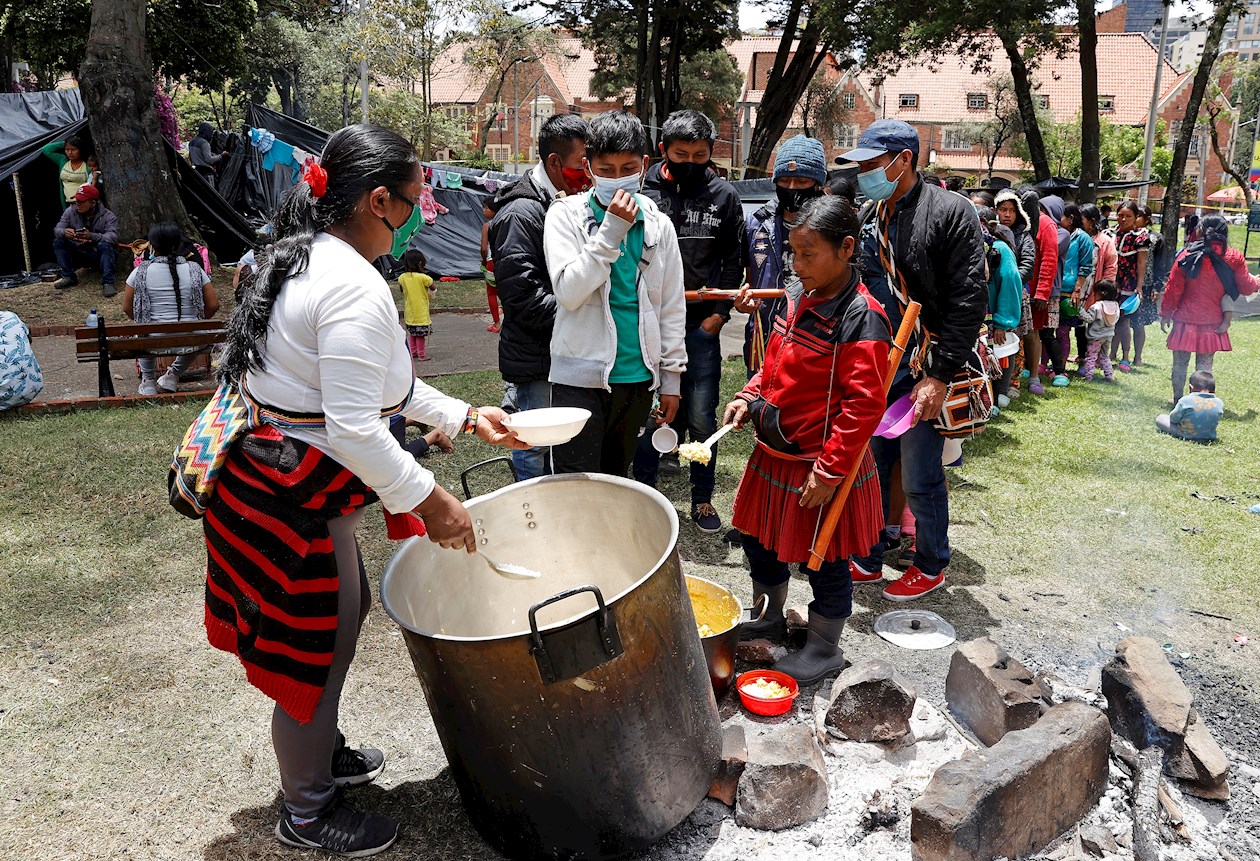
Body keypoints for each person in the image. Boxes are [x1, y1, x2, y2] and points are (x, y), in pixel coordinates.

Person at [204, 123, 525, 857]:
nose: (423, 213)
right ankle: (307, 810)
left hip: (288, 489)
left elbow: (386, 386)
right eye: (417, 200)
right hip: (293, 503)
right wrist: (429, 498)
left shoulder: (303, 258)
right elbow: (354, 428)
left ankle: (322, 758)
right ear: (379, 200)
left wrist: (468, 416)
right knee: (311, 657)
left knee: (335, 637)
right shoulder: (350, 283)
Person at [725, 195, 890, 684]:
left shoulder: (863, 316)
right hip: (775, 452)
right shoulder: (798, 293)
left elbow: (863, 406)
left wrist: (830, 470)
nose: (797, 265)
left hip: (821, 461)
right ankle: (771, 616)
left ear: (846, 248)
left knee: (826, 559)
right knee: (758, 539)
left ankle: (822, 647)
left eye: (808, 254)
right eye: (793, 252)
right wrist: (748, 393)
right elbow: (773, 366)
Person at [838, 119, 987, 602]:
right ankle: (868, 552)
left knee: (920, 470)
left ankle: (930, 562)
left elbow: (969, 299)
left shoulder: (951, 213)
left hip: (926, 361)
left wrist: (939, 375)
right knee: (872, 462)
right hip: (882, 360)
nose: (863, 173)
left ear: (903, 160)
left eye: (871, 165)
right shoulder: (869, 215)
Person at [542, 110, 687, 476]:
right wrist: (610, 233)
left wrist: (670, 379)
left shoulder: (658, 224)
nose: (618, 179)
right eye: (606, 170)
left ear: (645, 165)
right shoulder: (565, 216)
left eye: (628, 168)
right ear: (588, 167)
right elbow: (569, 292)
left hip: (638, 378)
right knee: (574, 483)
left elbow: (670, 307)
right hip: (579, 380)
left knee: (616, 478)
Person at [631, 109, 745, 533]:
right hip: (648, 324)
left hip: (700, 327)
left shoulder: (724, 196)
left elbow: (733, 260)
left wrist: (718, 316)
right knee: (649, 410)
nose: (692, 163)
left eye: (701, 155)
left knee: (700, 414)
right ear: (664, 151)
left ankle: (701, 500)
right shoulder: (644, 191)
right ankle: (645, 496)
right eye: (682, 154)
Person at [489, 113, 590, 480]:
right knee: (535, 445)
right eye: (583, 164)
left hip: (558, 351)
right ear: (554, 162)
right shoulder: (522, 213)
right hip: (537, 355)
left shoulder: (562, 203)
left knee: (554, 441)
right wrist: (582, 315)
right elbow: (523, 295)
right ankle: (532, 509)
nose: (589, 172)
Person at [743, 135, 827, 375]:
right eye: (785, 180)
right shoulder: (756, 223)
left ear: (817, 183)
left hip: (818, 337)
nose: (791, 188)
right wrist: (746, 302)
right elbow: (751, 278)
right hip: (766, 334)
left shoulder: (834, 225)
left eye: (801, 181)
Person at [1160, 214, 1259, 402]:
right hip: (1212, 323)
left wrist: (1165, 313)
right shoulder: (1234, 257)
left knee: (1180, 364)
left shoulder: (1186, 256)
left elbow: (1173, 289)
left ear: (1199, 231)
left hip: (1184, 321)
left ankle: (1178, 400)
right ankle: (1201, 402)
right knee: (1204, 366)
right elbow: (1246, 286)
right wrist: (1257, 282)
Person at [122, 221, 220, 395]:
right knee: (199, 335)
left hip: (149, 341)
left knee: (141, 330)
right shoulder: (195, 269)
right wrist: (197, 321)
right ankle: (173, 376)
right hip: (191, 341)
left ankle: (149, 381)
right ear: (179, 244)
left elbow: (127, 308)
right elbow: (213, 305)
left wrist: (142, 322)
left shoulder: (140, 271)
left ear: (151, 246)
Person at [993, 189, 1035, 404]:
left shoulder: (1023, 236)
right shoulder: (990, 235)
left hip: (1017, 295)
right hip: (994, 295)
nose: (1007, 214)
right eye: (1002, 210)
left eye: (1011, 210)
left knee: (1014, 341)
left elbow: (1028, 264)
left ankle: (1013, 383)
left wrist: (1008, 280)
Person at [1021, 186, 1057, 396]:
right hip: (1018, 289)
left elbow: (1049, 260)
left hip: (1035, 292)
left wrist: (1042, 292)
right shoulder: (1019, 220)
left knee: (1033, 332)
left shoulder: (1045, 224)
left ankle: (1034, 376)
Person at [52, 184, 119, 296]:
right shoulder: (70, 211)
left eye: (82, 201)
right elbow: (57, 229)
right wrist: (65, 232)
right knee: (58, 241)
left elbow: (113, 237)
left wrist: (91, 236)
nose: (77, 204)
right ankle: (69, 277)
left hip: (98, 254)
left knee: (106, 245)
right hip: (78, 251)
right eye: (77, 200)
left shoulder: (108, 216)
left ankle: (108, 282)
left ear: (93, 203)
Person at [1054, 202, 1095, 380]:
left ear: (1070, 219)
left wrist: (1077, 290)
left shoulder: (1083, 238)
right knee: (1048, 331)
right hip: (1053, 288)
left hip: (1070, 291)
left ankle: (1061, 366)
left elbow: (1086, 267)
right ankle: (1047, 363)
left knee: (1063, 331)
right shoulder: (1056, 233)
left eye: (1060, 216)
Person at [1112, 201, 1148, 370]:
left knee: (1124, 320)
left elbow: (1141, 263)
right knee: (1110, 318)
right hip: (1112, 281)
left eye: (1128, 216)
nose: (1123, 219)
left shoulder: (1140, 237)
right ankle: (1110, 354)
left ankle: (1126, 356)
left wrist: (1139, 286)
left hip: (1129, 281)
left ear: (1135, 218)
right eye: (1121, 215)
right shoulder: (1111, 233)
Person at [1132, 206, 1166, 366]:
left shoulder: (1155, 238)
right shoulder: (1126, 235)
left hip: (1145, 284)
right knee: (1120, 322)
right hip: (1126, 283)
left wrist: (1156, 287)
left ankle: (1137, 356)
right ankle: (1113, 353)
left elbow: (1160, 265)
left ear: (1147, 218)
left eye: (1138, 216)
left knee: (1139, 323)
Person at [1156, 370, 1223, 441]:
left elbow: (1173, 419)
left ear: (1191, 387)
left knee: (1160, 418)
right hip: (1209, 436)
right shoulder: (1219, 402)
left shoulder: (1185, 400)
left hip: (1186, 434)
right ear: (1214, 390)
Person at [1076, 278, 1120, 382]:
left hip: (1096, 337)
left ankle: (1088, 376)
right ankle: (1109, 375)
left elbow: (1089, 318)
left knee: (1091, 356)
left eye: (1095, 294)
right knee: (1104, 356)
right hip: (1108, 335)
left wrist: (1079, 310)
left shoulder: (1096, 307)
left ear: (1102, 294)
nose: (1094, 296)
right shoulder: (1115, 306)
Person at [398, 249, 435, 361]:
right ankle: (422, 354)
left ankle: (412, 352)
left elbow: (401, 289)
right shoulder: (423, 278)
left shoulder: (402, 277)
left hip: (409, 312)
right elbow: (433, 287)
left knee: (412, 333)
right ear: (420, 263)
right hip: (421, 312)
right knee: (420, 335)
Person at [42, 135, 92, 207]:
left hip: (85, 205)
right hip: (69, 205)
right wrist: (66, 143)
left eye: (73, 149)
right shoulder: (63, 161)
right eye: (67, 149)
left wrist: (74, 143)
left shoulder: (88, 166)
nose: (70, 152)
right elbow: (46, 149)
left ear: (80, 149)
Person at [481, 204, 502, 333]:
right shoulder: (507, 221)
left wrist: (484, 261)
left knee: (492, 293)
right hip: (507, 261)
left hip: (491, 262)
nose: (483, 210)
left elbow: (484, 248)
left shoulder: (487, 226)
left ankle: (497, 323)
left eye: (486, 208)